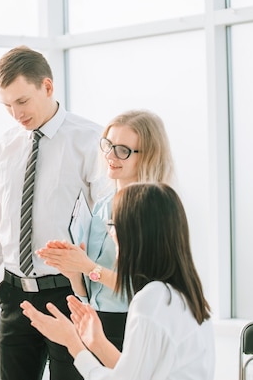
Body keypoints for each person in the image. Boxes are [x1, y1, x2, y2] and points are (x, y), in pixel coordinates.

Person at [0, 45, 109, 380]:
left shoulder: (90, 140)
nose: (16, 113)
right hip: (16, 297)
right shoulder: (6, 145)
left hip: (70, 296)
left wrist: (96, 293)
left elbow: (107, 227)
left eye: (22, 101)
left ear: (47, 87)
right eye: (7, 105)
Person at [20, 183, 215, 379]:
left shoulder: (152, 300)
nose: (111, 234)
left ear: (137, 234)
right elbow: (135, 373)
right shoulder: (184, 298)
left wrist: (72, 341)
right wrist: (96, 342)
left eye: (113, 225)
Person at [36, 109, 175, 350]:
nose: (111, 155)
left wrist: (86, 267)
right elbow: (91, 289)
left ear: (148, 156)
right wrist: (73, 271)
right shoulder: (103, 203)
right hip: (97, 319)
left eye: (123, 150)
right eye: (108, 145)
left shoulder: (151, 208)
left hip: (130, 323)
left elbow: (140, 287)